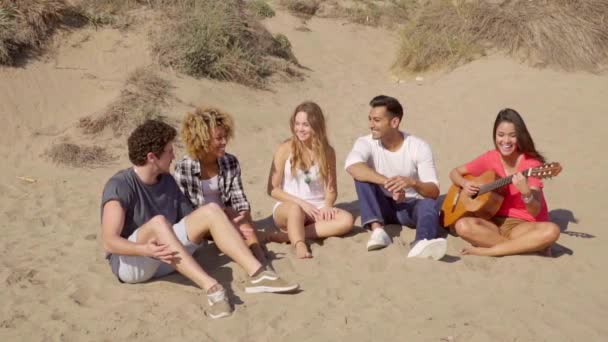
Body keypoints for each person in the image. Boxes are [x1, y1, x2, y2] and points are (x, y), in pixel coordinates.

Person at [100, 120, 298, 320]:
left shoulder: (167, 181)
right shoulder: (120, 185)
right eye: (169, 151)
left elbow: (192, 221)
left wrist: (226, 221)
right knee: (158, 223)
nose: (173, 156)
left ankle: (258, 274)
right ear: (152, 157)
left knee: (211, 210)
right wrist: (145, 250)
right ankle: (213, 289)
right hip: (134, 264)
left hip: (167, 257)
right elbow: (109, 241)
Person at [345, 95, 447, 260]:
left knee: (429, 204)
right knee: (361, 177)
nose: (371, 125)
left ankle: (421, 243)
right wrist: (388, 183)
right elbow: (352, 166)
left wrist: (412, 183)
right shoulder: (365, 142)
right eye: (370, 119)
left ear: (394, 123)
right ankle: (378, 231)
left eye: (377, 120)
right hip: (380, 206)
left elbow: (434, 191)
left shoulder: (418, 146)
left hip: (407, 207)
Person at [448, 108, 560, 256]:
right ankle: (524, 247)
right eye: (500, 135)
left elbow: (535, 210)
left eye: (512, 136)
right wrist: (465, 184)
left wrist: (526, 192)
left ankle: (491, 250)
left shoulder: (532, 165)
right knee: (462, 226)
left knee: (552, 231)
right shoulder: (490, 158)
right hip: (494, 221)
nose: (505, 141)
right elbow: (454, 172)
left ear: (520, 137)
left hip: (523, 225)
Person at [174, 106, 266, 264]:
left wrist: (241, 217)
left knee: (243, 223)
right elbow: (186, 209)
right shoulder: (184, 167)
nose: (224, 142)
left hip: (229, 216)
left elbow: (239, 200)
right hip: (202, 221)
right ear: (202, 140)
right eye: (219, 138)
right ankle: (258, 258)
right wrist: (224, 217)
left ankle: (259, 257)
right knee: (239, 228)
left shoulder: (230, 161)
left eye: (226, 136)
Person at [267, 101, 354, 258]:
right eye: (297, 124)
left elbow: (331, 188)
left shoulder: (327, 152)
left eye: (305, 125)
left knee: (347, 220)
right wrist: (302, 203)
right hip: (289, 206)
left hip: (317, 207)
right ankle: (299, 244)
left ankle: (287, 236)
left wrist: (327, 206)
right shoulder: (285, 148)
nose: (300, 129)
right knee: (295, 211)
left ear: (316, 126)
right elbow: (272, 189)